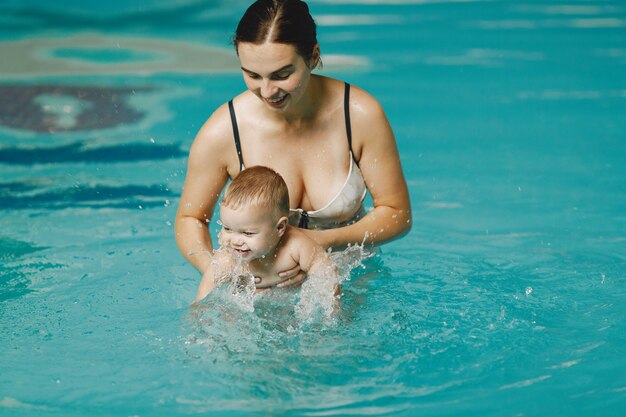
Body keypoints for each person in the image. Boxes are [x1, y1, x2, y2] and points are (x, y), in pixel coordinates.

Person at [176, 0, 411, 288]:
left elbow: (397, 214)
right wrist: (221, 274)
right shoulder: (225, 130)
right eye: (252, 75)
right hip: (256, 292)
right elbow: (191, 218)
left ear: (313, 56)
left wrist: (318, 243)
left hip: (353, 281)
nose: (267, 91)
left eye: (282, 74)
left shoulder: (359, 115)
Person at [194, 166, 336, 302]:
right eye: (227, 229)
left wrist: (332, 309)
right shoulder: (227, 259)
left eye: (248, 233)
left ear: (280, 227)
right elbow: (202, 301)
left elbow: (326, 273)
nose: (235, 241)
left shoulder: (296, 246)